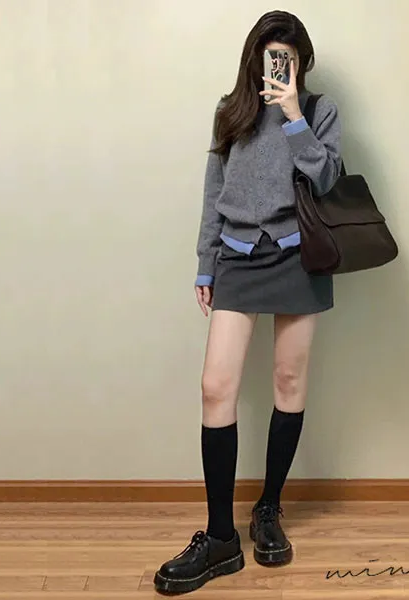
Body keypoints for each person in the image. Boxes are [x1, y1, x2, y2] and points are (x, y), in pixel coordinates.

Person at [154, 9, 342, 595]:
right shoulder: (229, 113)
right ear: (253, 61)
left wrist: (293, 116)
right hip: (238, 256)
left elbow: (328, 177)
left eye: (288, 60)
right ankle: (220, 539)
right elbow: (214, 193)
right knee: (216, 386)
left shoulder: (318, 111)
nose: (278, 69)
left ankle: (268, 508)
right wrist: (206, 263)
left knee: (289, 380)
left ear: (301, 64)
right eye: (269, 60)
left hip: (298, 256)